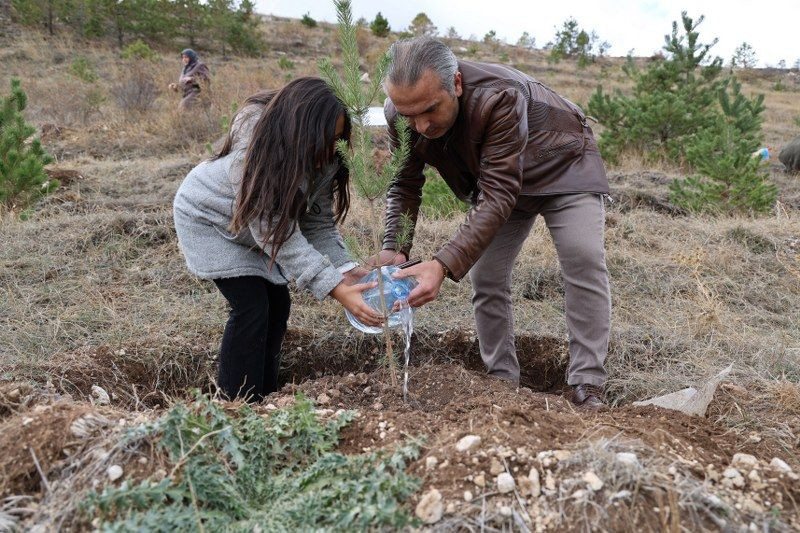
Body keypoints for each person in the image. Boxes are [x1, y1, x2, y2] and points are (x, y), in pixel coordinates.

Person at [378, 37, 612, 408]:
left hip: (564, 165)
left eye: (430, 110)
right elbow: (405, 183)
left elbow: (500, 194)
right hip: (500, 181)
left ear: (455, 84)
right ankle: (501, 380)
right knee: (485, 275)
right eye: (409, 115)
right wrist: (394, 247)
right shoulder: (403, 113)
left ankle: (587, 382)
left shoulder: (497, 96)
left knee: (582, 257)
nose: (420, 125)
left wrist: (441, 265)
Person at [173, 77, 381, 402]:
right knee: (251, 305)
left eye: (339, 138)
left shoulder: (324, 159)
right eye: (324, 139)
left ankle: (266, 394)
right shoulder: (255, 154)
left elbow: (317, 224)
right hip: (208, 218)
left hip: (254, 229)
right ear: (300, 131)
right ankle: (237, 401)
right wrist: (336, 289)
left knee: (278, 303)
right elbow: (275, 235)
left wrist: (345, 268)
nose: (331, 149)